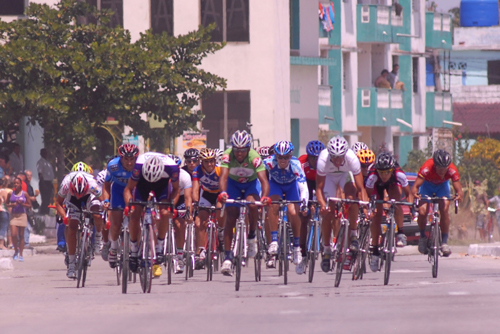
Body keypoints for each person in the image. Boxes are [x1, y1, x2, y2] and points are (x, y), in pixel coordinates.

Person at [217, 130, 270, 276]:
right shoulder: (227, 155)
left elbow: (264, 180)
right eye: (236, 150)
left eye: (242, 150)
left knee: (252, 204)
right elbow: (223, 177)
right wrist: (222, 193)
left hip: (250, 185)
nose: (239, 153)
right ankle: (227, 257)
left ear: (248, 148)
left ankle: (252, 235)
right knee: (231, 215)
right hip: (233, 185)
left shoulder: (255, 157)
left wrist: (265, 197)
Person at [316, 136, 369, 273]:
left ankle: (353, 234)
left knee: (352, 198)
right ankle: (327, 250)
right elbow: (319, 189)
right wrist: (323, 205)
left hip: (344, 175)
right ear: (330, 155)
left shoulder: (352, 158)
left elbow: (360, 187)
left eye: (341, 157)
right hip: (328, 178)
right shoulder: (323, 160)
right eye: (335, 157)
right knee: (328, 212)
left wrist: (364, 205)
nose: (338, 160)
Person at [123, 153, 180, 274]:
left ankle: (159, 246)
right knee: (134, 214)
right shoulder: (138, 166)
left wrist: (172, 206)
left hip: (162, 184)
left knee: (165, 212)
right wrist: (129, 206)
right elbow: (128, 188)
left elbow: (176, 189)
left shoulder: (172, 168)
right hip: (142, 184)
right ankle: (133, 250)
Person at [264, 141, 308, 275]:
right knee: (274, 205)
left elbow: (303, 186)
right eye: (280, 157)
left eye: (285, 157)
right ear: (275, 156)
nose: (282, 160)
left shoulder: (296, 165)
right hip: (275, 185)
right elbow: (258, 178)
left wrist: (304, 202)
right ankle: (274, 241)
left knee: (293, 212)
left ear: (290, 156)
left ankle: (296, 247)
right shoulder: (268, 162)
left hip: (291, 187)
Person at [365, 153, 413, 271]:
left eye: (387, 172)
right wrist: (369, 208)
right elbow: (367, 195)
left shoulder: (399, 174)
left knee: (396, 203)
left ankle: (401, 232)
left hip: (393, 185)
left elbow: (408, 194)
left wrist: (412, 207)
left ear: (392, 170)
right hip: (377, 187)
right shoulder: (372, 176)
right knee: (377, 214)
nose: (384, 175)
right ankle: (375, 251)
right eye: (381, 172)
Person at [411, 149, 463, 257]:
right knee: (422, 211)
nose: (442, 171)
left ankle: (444, 242)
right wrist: (415, 194)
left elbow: (459, 190)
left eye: (445, 169)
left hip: (442, 187)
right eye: (439, 168)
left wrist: (458, 195)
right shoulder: (427, 168)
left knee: (444, 209)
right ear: (435, 165)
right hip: (427, 186)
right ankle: (422, 237)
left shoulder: (452, 169)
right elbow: (415, 186)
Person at [55, 171, 103, 278]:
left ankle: (98, 238)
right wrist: (65, 217)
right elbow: (58, 203)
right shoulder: (66, 184)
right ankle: (71, 264)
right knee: (72, 227)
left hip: (89, 196)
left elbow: (103, 200)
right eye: (76, 193)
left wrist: (104, 208)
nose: (78, 195)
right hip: (72, 200)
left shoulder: (92, 184)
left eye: (80, 193)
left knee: (97, 215)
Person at [103, 144, 139, 268]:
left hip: (135, 191)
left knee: (136, 221)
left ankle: (135, 249)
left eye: (132, 159)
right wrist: (106, 200)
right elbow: (106, 185)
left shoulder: (140, 166)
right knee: (116, 223)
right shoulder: (112, 166)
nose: (129, 163)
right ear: (121, 158)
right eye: (126, 159)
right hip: (118, 191)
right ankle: (113, 248)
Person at [192, 149, 223, 270]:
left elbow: (225, 187)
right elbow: (195, 189)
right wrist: (195, 203)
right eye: (206, 162)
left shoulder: (220, 169)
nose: (209, 164)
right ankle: (201, 251)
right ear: (202, 163)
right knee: (201, 220)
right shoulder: (197, 170)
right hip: (206, 194)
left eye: (211, 161)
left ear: (215, 161)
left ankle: (221, 233)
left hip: (219, 194)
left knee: (220, 211)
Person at [297, 140, 325, 271]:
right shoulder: (302, 162)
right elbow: (301, 185)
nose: (315, 160)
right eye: (312, 158)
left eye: (317, 158)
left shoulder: (326, 162)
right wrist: (305, 204)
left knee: (327, 210)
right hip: (306, 183)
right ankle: (302, 250)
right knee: (304, 217)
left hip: (320, 183)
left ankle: (327, 243)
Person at [167, 154, 193, 274]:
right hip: (165, 197)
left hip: (181, 199)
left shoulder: (185, 176)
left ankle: (180, 255)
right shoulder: (161, 175)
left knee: (179, 224)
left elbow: (188, 198)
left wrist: (188, 212)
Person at [6, 177, 32, 261]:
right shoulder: (11, 193)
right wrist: (12, 205)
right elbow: (6, 204)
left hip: (22, 215)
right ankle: (16, 250)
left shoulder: (25, 194)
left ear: (21, 184)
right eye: (14, 183)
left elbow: (30, 205)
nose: (16, 185)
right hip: (14, 215)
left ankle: (21, 254)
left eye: (17, 183)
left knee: (21, 235)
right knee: (13, 234)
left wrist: (22, 204)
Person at [37, 148, 55, 215]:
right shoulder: (40, 162)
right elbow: (40, 173)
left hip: (49, 182)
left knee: (48, 198)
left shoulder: (47, 162)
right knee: (45, 199)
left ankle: (47, 212)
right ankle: (43, 212)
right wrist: (43, 183)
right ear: (41, 154)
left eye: (46, 153)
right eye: (44, 153)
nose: (45, 154)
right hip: (44, 182)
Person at [0, 178, 10, 249]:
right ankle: (1, 244)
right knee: (3, 227)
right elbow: (7, 203)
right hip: (3, 211)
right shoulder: (3, 191)